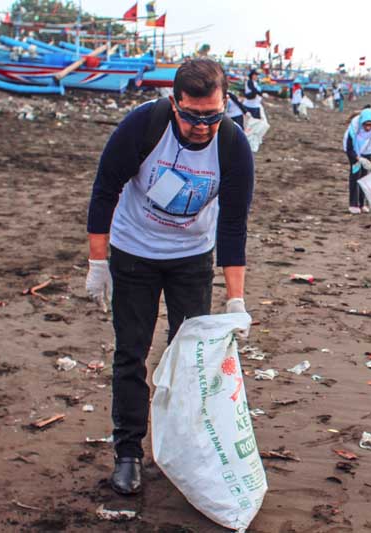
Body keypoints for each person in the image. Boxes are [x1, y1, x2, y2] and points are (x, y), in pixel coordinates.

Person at [85, 58, 254, 496]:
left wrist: (236, 301)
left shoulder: (233, 146)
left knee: (191, 361)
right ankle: (128, 454)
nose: (202, 126)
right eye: (193, 116)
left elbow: (233, 225)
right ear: (174, 102)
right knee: (131, 353)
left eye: (212, 116)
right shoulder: (145, 126)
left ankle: (186, 450)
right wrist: (97, 263)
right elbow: (105, 190)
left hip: (191, 258)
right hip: (134, 252)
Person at [343, 108, 371, 214]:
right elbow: (350, 149)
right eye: (365, 125)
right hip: (354, 146)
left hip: (367, 146)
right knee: (355, 173)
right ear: (361, 123)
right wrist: (358, 159)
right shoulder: (354, 127)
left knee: (364, 174)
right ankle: (353, 203)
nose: (368, 128)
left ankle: (362, 203)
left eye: (370, 125)